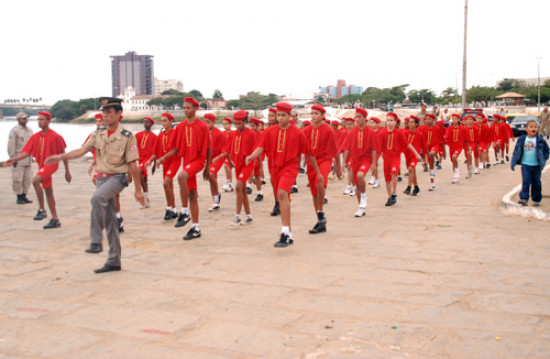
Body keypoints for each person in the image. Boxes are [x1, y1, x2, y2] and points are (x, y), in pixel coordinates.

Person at [44, 97, 144, 273]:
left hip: (117, 177)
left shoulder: (128, 136)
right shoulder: (98, 134)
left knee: (97, 198)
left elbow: (133, 164)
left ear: (119, 114)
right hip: (101, 179)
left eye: (109, 112)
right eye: (103, 112)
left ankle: (96, 241)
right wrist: (60, 157)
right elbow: (81, 151)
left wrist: (138, 190)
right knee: (111, 221)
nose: (105, 115)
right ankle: (114, 260)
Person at [246, 102, 323, 248]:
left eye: (283, 115)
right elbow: (261, 147)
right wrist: (251, 156)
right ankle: (289, 234)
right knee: (282, 197)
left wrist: (318, 172)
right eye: (278, 115)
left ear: (289, 116)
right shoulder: (269, 131)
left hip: (290, 167)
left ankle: (284, 232)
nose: (280, 118)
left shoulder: (298, 133)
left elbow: (309, 153)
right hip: (275, 168)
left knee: (282, 193)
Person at [4, 111, 71, 229]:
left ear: (48, 121)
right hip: (42, 165)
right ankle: (55, 219)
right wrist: (14, 159)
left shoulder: (56, 136)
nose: (39, 122)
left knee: (35, 181)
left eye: (42, 119)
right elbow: (26, 152)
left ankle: (42, 210)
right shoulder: (35, 136)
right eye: (38, 119)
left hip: (51, 164)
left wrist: (67, 171)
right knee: (49, 192)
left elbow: (63, 153)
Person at [158, 97, 211, 240]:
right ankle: (196, 228)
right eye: (184, 108)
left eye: (188, 108)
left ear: (195, 108)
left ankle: (184, 211)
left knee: (181, 177)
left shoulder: (203, 126)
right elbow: (176, 148)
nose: (186, 110)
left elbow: (208, 148)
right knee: (193, 195)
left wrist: (207, 167)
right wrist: (163, 158)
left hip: (198, 161)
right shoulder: (180, 126)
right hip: (187, 163)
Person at [213, 110, 257, 225]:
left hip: (247, 165)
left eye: (240, 123)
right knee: (242, 191)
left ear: (245, 121)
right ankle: (248, 216)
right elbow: (227, 150)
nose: (237, 126)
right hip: (237, 165)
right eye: (235, 123)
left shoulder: (251, 134)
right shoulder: (233, 134)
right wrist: (219, 158)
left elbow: (256, 149)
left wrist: (251, 157)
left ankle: (237, 216)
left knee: (238, 186)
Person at [302, 105, 341, 234]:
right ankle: (320, 219)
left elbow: (335, 149)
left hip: (325, 160)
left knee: (320, 183)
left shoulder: (329, 130)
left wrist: (338, 167)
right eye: (312, 113)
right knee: (313, 193)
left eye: (316, 113)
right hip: (311, 163)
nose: (313, 116)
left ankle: (321, 212)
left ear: (322, 115)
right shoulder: (306, 130)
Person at [378, 113, 423, 206]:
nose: (389, 122)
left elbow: (408, 144)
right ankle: (390, 197)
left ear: (395, 122)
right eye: (388, 120)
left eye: (391, 120)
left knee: (394, 173)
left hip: (395, 157)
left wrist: (417, 154)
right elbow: (379, 147)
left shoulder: (399, 133)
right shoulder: (382, 133)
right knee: (387, 179)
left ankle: (394, 193)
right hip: (386, 159)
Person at [341, 108, 377, 217]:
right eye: (356, 117)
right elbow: (347, 148)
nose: (357, 119)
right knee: (356, 185)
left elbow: (374, 149)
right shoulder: (352, 132)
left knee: (360, 175)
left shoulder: (370, 132)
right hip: (354, 160)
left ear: (365, 118)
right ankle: (361, 207)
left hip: (366, 160)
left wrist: (374, 163)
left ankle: (364, 195)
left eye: (359, 117)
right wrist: (344, 162)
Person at [145, 112, 180, 220]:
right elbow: (156, 151)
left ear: (171, 121)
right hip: (165, 163)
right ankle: (173, 209)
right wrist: (150, 161)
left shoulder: (175, 133)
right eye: (162, 121)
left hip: (174, 161)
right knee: (168, 185)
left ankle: (170, 207)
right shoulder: (161, 135)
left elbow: (176, 149)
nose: (163, 123)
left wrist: (163, 158)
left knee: (166, 183)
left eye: (165, 121)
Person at [511, 120, 550, 207]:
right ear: (526, 129)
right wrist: (513, 162)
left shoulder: (540, 140)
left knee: (536, 183)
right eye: (531, 127)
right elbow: (516, 151)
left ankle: (536, 199)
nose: (534, 128)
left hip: (536, 166)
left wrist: (544, 158)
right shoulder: (522, 139)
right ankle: (524, 198)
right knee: (526, 181)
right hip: (526, 165)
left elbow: (547, 150)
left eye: (535, 127)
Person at [8, 111, 33, 204]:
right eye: (24, 118)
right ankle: (19, 196)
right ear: (19, 119)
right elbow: (11, 145)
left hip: (28, 158)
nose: (26, 120)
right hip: (18, 157)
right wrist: (12, 158)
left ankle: (24, 195)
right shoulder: (14, 130)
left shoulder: (30, 130)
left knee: (28, 179)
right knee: (17, 178)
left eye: (26, 118)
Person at [135, 117, 157, 208]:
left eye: (147, 122)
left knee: (138, 171)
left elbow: (156, 151)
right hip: (140, 158)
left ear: (151, 124)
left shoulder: (154, 136)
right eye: (144, 122)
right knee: (144, 179)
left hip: (148, 159)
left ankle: (144, 195)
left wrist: (154, 165)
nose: (145, 124)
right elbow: (133, 146)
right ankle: (147, 198)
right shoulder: (138, 134)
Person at [419, 113, 445, 191]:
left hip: (435, 145)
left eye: (429, 119)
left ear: (433, 120)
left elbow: (442, 141)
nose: (427, 120)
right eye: (426, 119)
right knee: (430, 164)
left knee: (432, 153)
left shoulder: (437, 129)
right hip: (427, 147)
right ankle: (432, 182)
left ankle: (434, 164)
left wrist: (444, 151)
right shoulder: (423, 129)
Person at [403, 115, 426, 196]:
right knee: (412, 171)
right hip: (407, 154)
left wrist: (424, 160)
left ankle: (408, 187)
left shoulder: (420, 134)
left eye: (412, 122)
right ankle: (416, 187)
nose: (410, 124)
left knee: (411, 169)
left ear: (416, 124)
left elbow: (424, 146)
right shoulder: (405, 133)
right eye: (409, 122)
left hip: (415, 156)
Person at [445, 113, 467, 183]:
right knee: (453, 161)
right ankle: (455, 175)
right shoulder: (449, 128)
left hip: (458, 146)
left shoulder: (462, 128)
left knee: (455, 157)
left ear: (458, 120)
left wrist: (468, 148)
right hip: (451, 146)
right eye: (453, 118)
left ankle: (457, 174)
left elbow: (466, 139)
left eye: (456, 118)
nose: (454, 120)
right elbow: (446, 136)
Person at [249, 117, 264, 201]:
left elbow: (260, 147)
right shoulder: (249, 134)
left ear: (258, 126)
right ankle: (260, 193)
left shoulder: (260, 135)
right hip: (251, 155)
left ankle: (249, 186)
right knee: (257, 176)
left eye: (253, 126)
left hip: (259, 155)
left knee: (253, 168)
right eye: (250, 126)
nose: (251, 128)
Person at [220, 118, 234, 192]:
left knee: (226, 166)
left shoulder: (233, 133)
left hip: (231, 153)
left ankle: (229, 182)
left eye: (226, 124)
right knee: (227, 167)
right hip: (224, 154)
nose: (225, 126)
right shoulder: (222, 133)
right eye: (223, 124)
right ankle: (229, 183)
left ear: (230, 124)